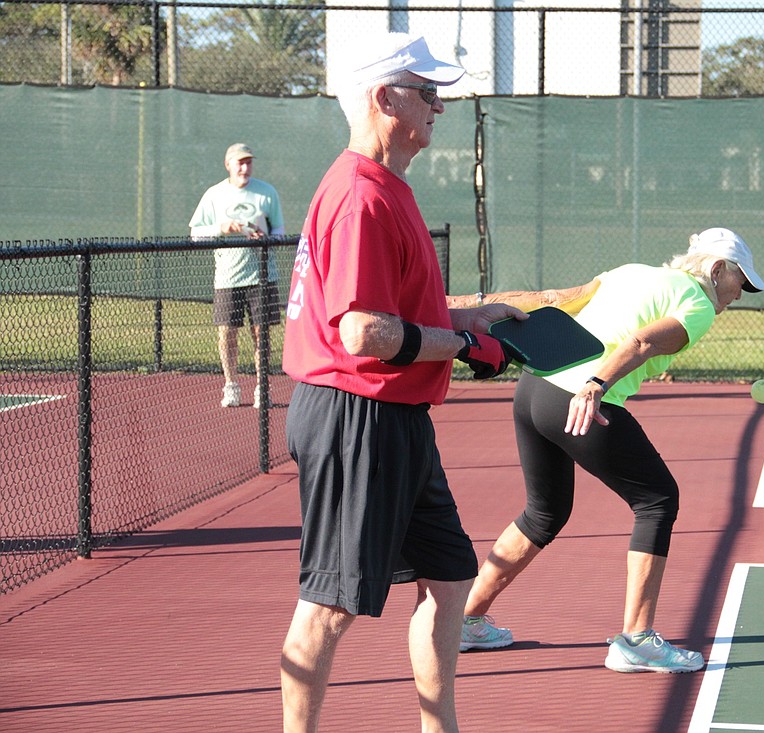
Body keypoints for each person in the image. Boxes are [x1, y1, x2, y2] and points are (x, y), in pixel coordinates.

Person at [278, 33, 525, 733]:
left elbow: (394, 313)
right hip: (358, 415)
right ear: (386, 98)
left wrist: (469, 318)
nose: (439, 107)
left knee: (450, 580)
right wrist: (466, 345)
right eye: (429, 93)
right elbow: (364, 333)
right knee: (331, 604)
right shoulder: (360, 195)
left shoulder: (388, 188)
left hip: (396, 418)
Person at [456, 227, 764, 673]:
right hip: (577, 397)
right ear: (717, 269)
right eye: (741, 281)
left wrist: (466, 304)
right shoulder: (698, 304)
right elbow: (640, 343)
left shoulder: (630, 272)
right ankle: (637, 640)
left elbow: (552, 299)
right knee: (658, 499)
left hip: (533, 390)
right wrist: (595, 385)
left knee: (544, 512)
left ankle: (466, 619)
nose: (741, 294)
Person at [189, 142, 286, 408]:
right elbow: (195, 234)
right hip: (228, 277)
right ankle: (231, 385)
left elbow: (279, 232)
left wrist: (267, 238)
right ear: (228, 164)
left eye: (248, 162)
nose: (245, 167)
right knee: (227, 333)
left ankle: (261, 388)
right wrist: (224, 227)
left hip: (263, 277)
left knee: (261, 333)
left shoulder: (267, 193)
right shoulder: (214, 195)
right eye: (239, 162)